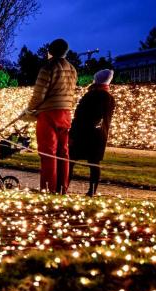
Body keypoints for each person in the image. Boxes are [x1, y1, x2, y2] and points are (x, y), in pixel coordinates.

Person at [24, 38, 78, 194]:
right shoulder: (72, 69)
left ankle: (49, 188)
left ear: (50, 51)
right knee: (63, 151)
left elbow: (39, 94)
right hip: (66, 112)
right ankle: (62, 188)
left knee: (48, 151)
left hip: (49, 113)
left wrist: (30, 109)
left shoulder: (48, 68)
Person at [70, 70, 116, 196]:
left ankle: (63, 187)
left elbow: (78, 116)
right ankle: (92, 191)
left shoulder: (90, 95)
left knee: (70, 160)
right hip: (99, 135)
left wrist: (72, 134)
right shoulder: (110, 98)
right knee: (94, 163)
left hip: (82, 133)